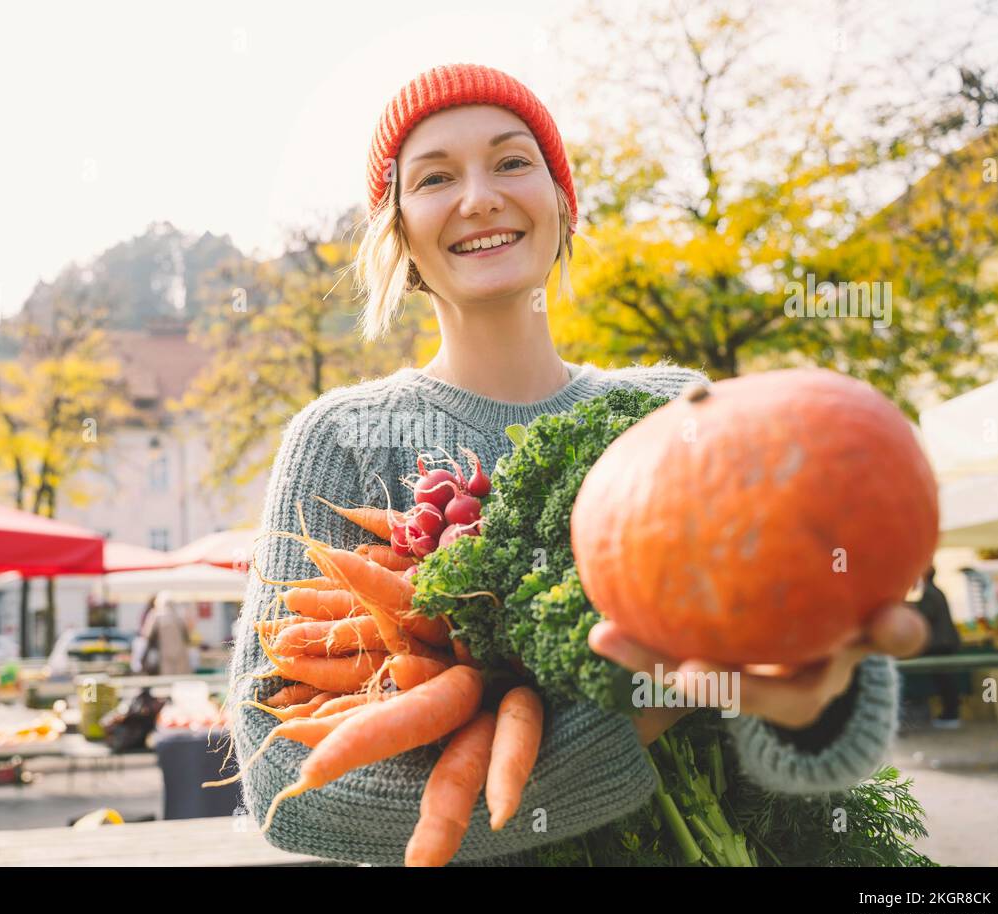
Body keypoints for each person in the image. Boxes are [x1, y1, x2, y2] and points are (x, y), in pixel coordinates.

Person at [228, 63, 930, 865]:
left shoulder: (680, 412)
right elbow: (281, 777)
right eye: (434, 177)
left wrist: (812, 691)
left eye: (512, 161)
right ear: (398, 233)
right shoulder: (343, 437)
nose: (480, 196)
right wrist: (632, 719)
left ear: (564, 201)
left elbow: (806, 753)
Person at [912, 566, 965, 728]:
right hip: (945, 643)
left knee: (945, 681)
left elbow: (924, 616)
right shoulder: (936, 591)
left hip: (939, 644)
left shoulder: (929, 593)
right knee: (946, 680)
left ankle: (950, 715)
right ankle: (950, 714)